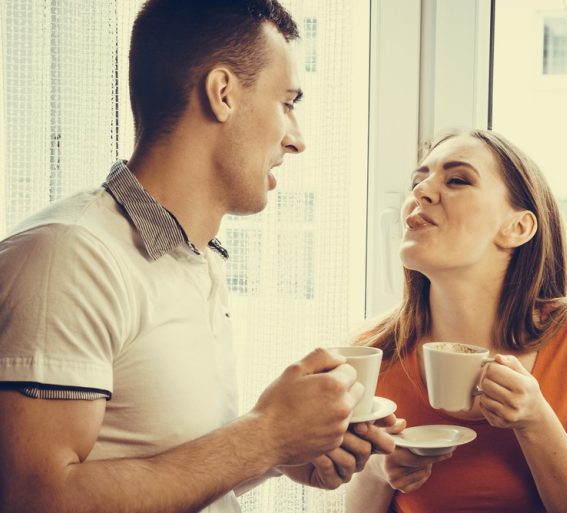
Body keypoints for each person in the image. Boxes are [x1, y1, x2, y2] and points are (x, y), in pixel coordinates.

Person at [0, 1, 395, 512]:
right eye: (287, 103)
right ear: (222, 93)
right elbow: (36, 498)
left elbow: (159, 463)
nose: (297, 141)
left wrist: (286, 449)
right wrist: (265, 437)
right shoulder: (69, 257)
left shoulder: (195, 259)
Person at [345, 129, 567, 513]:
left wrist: (536, 421)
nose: (421, 192)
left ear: (518, 228)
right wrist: (378, 470)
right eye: (418, 181)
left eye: (457, 180)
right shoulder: (374, 351)